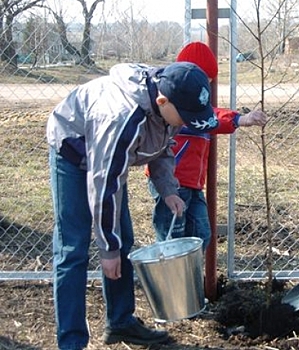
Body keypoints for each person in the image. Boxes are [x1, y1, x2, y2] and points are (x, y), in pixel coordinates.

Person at [46, 61, 220, 349]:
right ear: (162, 101)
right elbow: (104, 186)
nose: (187, 122)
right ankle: (71, 341)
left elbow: (163, 144)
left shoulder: (170, 99)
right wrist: (107, 249)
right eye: (186, 116)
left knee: (123, 239)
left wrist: (168, 190)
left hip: (111, 159)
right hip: (74, 147)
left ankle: (120, 322)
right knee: (73, 249)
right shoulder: (120, 119)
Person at [146, 42, 267, 250]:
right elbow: (214, 116)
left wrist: (239, 118)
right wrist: (239, 119)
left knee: (201, 234)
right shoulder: (177, 106)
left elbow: (211, 115)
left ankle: (189, 276)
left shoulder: (197, 108)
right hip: (172, 180)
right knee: (172, 238)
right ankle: (169, 277)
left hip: (194, 183)